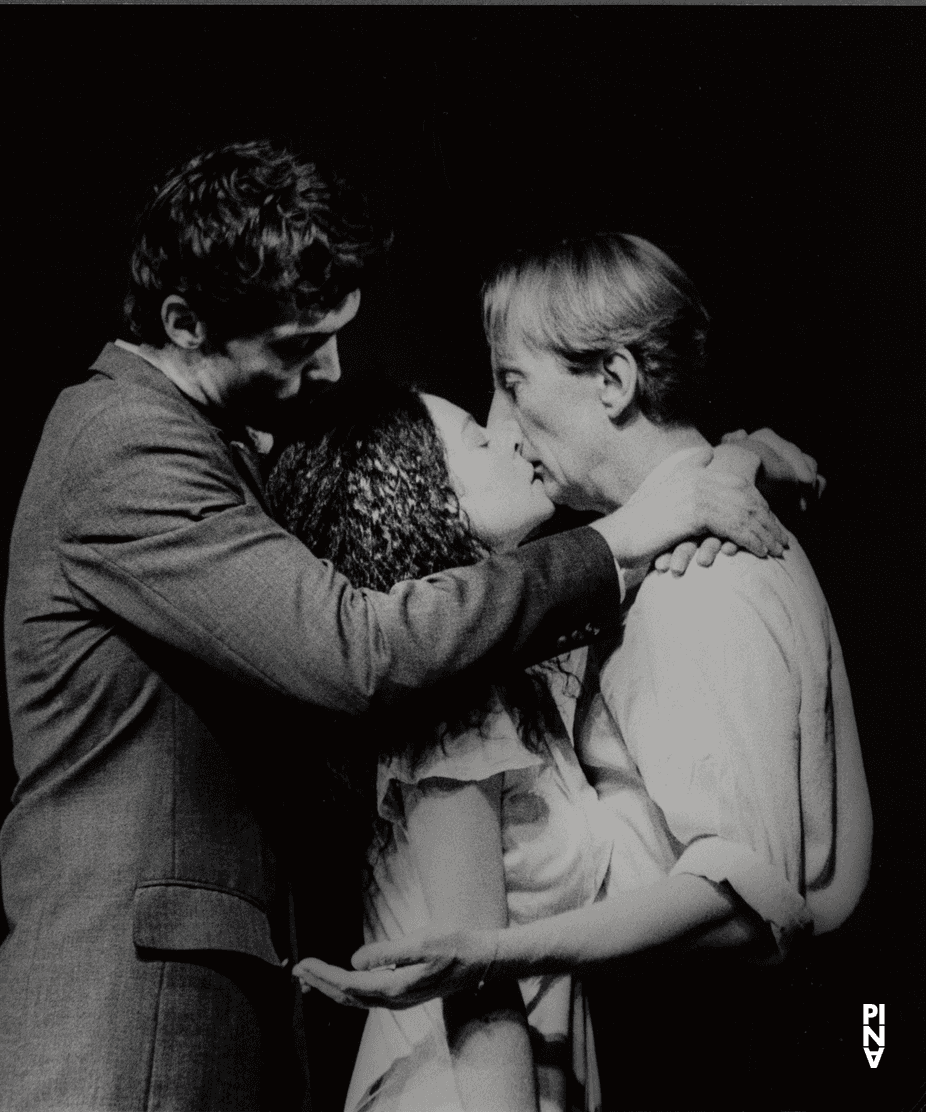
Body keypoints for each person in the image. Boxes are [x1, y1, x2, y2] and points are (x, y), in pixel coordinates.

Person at [0, 146, 784, 1111]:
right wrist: (626, 534)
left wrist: (731, 457)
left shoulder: (213, 440)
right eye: (297, 344)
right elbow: (356, 650)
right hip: (130, 1024)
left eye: (339, 332)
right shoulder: (125, 445)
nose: (331, 370)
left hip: (200, 1010)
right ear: (183, 325)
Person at [295, 233, 871, 1109]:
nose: (502, 425)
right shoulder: (501, 669)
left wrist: (740, 455)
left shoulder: (696, 579)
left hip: (724, 1048)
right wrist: (736, 455)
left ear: (614, 382)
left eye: (512, 384)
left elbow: (750, 892)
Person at [268, 382, 619, 1112]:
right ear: (422, 494)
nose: (512, 439)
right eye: (477, 438)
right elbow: (477, 996)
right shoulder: (453, 710)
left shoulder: (498, 685)